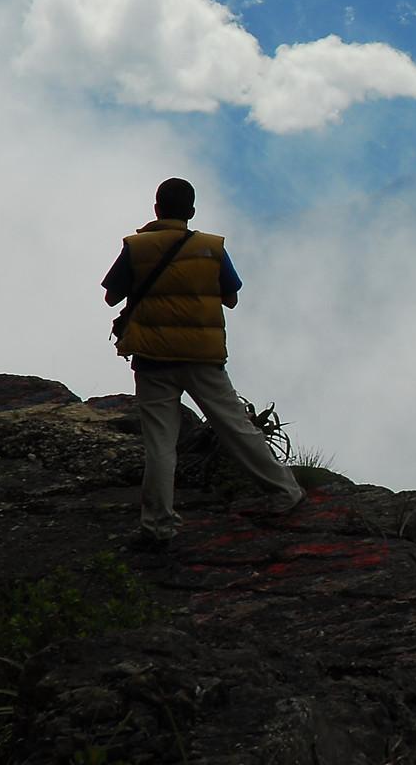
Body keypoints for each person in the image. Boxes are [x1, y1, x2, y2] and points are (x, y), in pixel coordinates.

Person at [102, 177, 303, 549]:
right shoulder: (212, 248)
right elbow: (231, 298)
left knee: (160, 443)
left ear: (157, 208)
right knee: (235, 427)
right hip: (203, 355)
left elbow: (112, 296)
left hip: (153, 357)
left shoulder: (135, 247)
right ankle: (285, 491)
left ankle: (158, 525)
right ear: (191, 212)